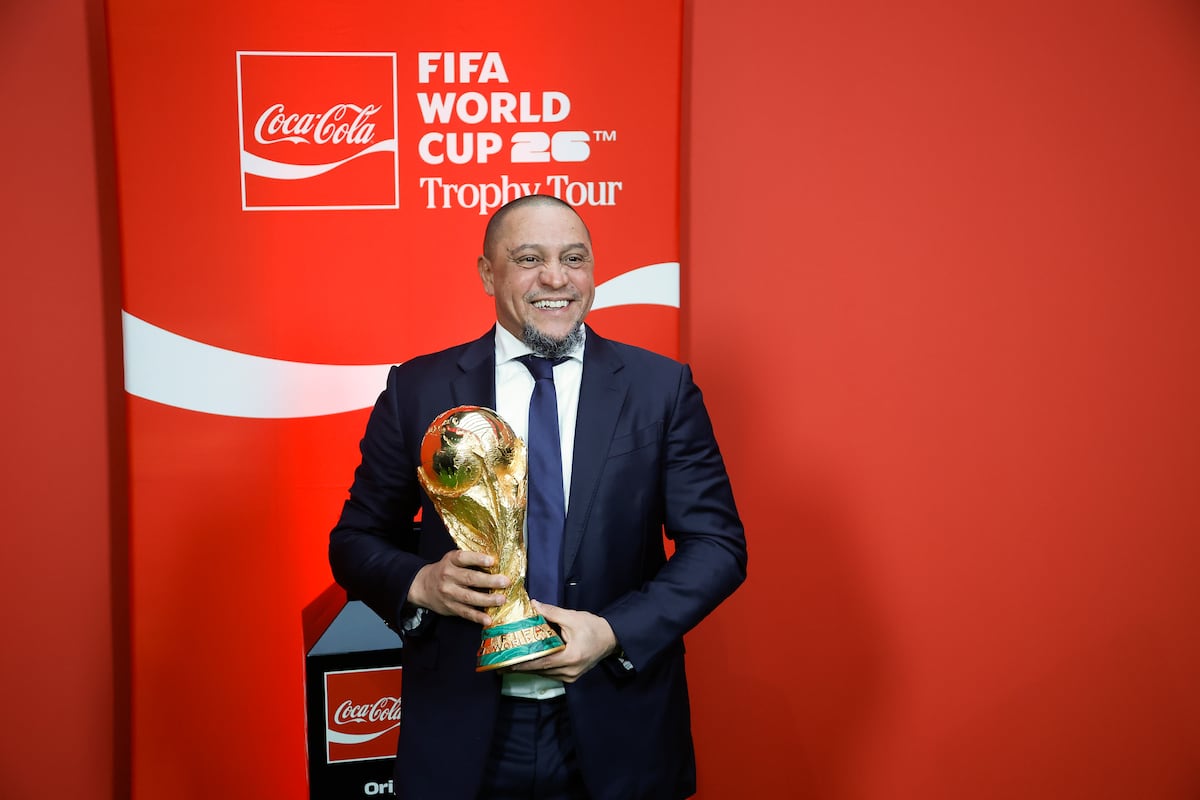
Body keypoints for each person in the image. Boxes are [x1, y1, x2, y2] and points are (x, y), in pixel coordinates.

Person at [329, 195, 747, 800]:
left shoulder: (661, 388)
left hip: (619, 725)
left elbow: (717, 546)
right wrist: (421, 584)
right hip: (463, 731)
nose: (556, 278)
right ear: (487, 273)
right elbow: (354, 540)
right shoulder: (418, 388)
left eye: (573, 258)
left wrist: (611, 632)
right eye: (529, 259)